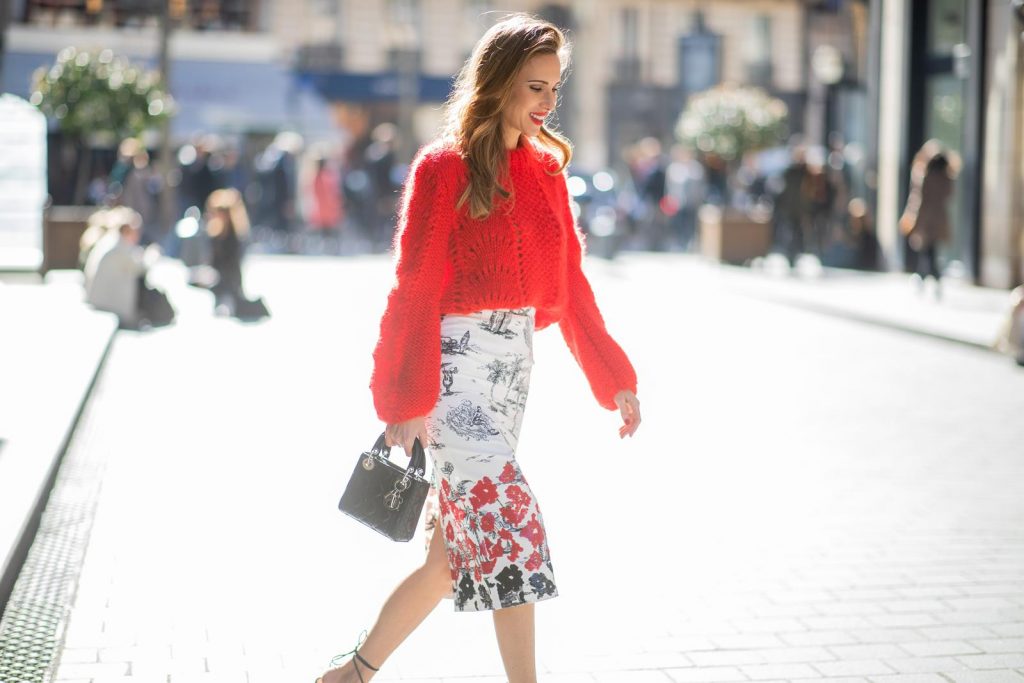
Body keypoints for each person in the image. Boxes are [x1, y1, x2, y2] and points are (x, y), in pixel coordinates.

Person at [316, 14, 642, 683]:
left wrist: (614, 377)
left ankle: (352, 674)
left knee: (447, 559)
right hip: (453, 377)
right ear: (495, 84)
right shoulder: (443, 169)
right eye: (533, 86)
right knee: (515, 531)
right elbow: (414, 288)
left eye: (553, 87)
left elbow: (571, 285)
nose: (547, 102)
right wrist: (405, 399)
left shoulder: (547, 172)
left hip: (513, 376)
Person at [83, 206, 173, 329]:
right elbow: (141, 267)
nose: (138, 235)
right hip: (107, 304)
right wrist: (153, 255)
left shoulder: (113, 241)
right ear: (126, 230)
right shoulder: (117, 246)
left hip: (101, 301)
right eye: (136, 230)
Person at [900, 139, 960, 300]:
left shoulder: (924, 175)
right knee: (928, 251)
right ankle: (924, 277)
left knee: (927, 252)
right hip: (939, 219)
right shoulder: (947, 177)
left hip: (926, 219)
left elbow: (919, 200)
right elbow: (949, 196)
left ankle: (930, 278)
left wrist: (913, 218)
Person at [204, 188, 267, 319]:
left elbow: (231, 269)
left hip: (229, 284)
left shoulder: (234, 239)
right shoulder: (214, 236)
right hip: (217, 280)